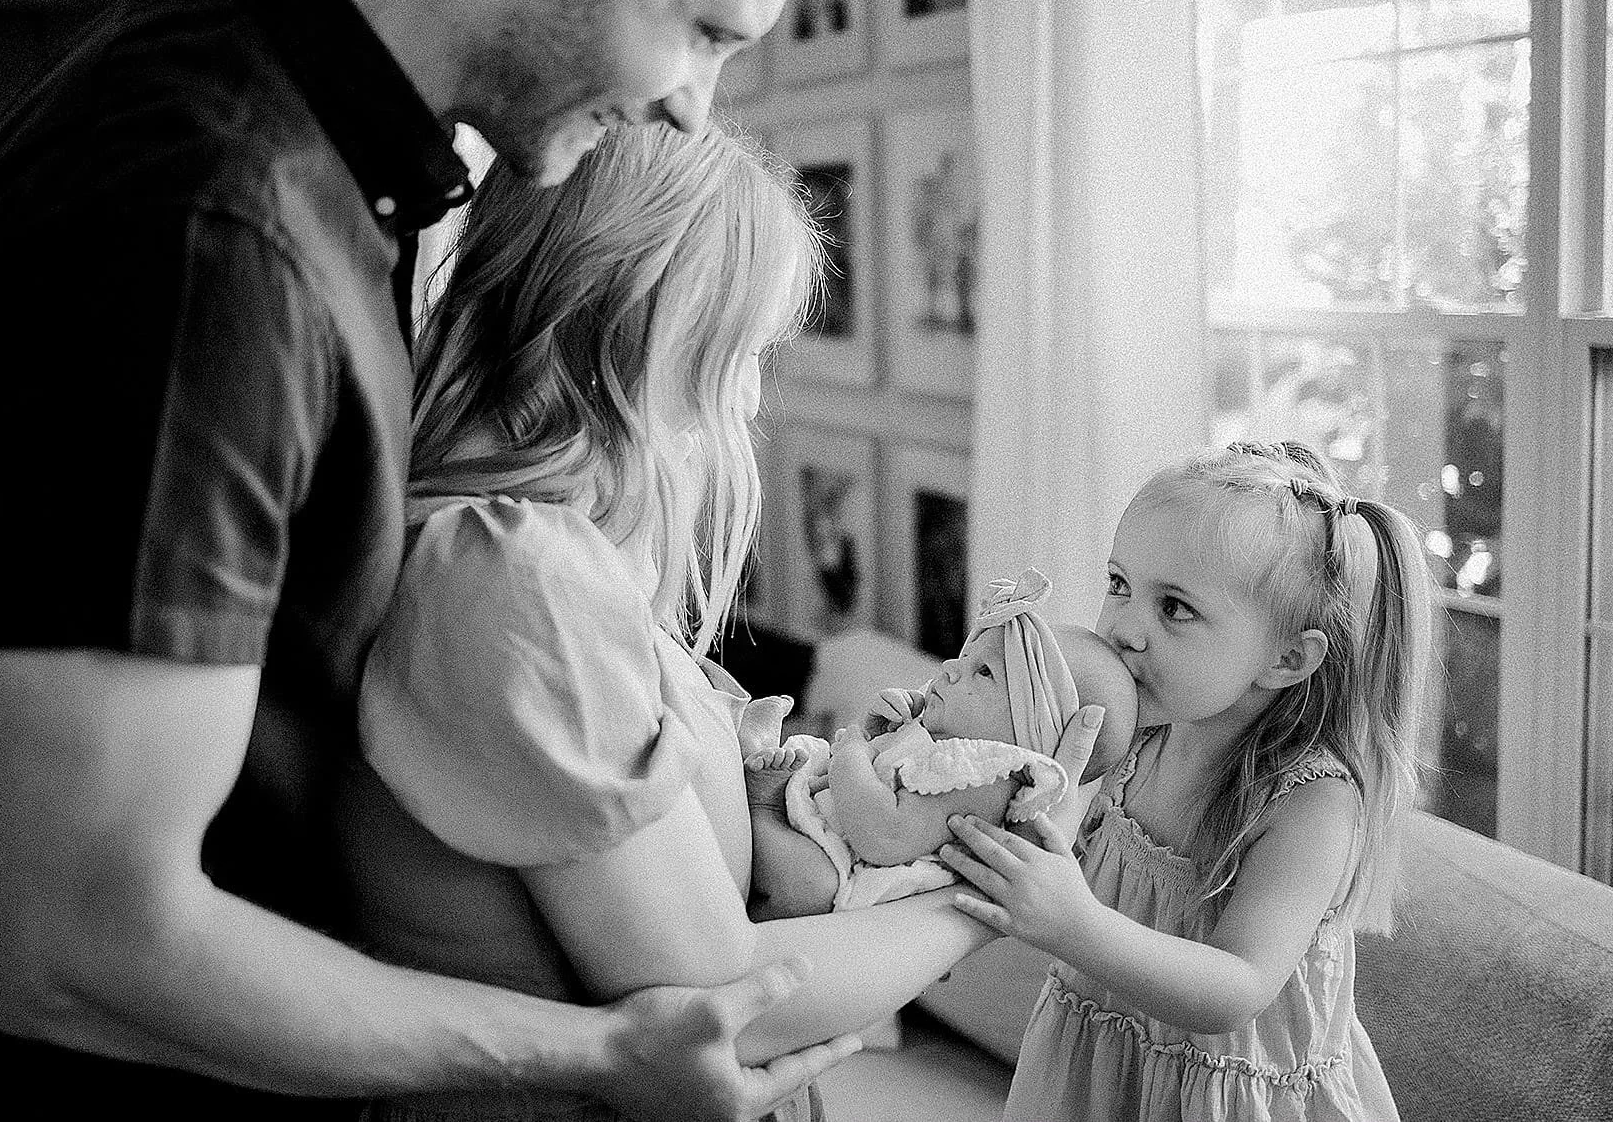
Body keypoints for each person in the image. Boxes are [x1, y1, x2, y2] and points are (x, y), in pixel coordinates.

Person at [0, 0, 866, 1118]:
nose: (694, 112)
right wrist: (593, 1053)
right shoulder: (210, 219)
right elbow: (81, 942)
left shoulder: (291, 141)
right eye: (702, 32)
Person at [338, 121, 1108, 1122]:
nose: (748, 399)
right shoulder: (514, 575)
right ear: (663, 329)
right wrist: (1006, 889)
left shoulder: (525, 553)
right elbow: (726, 1002)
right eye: (745, 351)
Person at [940, 440, 1434, 1121]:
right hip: (1097, 1076)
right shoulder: (1134, 732)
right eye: (1119, 583)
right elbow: (1052, 849)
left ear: (1288, 657)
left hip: (1224, 1099)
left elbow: (1241, 982)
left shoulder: (1311, 801)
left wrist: (1075, 923)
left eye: (1174, 607)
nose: (1124, 629)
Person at [744, 569, 1139, 918]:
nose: (949, 669)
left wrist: (851, 751)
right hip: (825, 821)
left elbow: (885, 835)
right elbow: (890, 769)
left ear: (1032, 731)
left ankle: (763, 812)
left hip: (843, 860)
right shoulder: (949, 747)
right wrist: (888, 728)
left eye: (983, 672)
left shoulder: (986, 778)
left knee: (810, 884)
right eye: (964, 659)